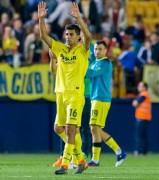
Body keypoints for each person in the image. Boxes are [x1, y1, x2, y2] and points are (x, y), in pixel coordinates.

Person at [38, 1, 91, 175]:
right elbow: (44, 37)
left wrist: (79, 18)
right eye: (66, 34)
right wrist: (41, 19)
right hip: (60, 93)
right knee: (58, 128)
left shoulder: (82, 50)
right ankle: (81, 159)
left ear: (78, 37)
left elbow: (89, 37)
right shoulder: (60, 49)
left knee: (70, 129)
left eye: (71, 34)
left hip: (75, 94)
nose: (67, 37)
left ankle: (66, 164)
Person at [86, 40, 126, 167]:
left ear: (105, 51)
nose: (97, 51)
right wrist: (83, 32)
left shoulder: (105, 63)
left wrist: (79, 66)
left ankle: (117, 151)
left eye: (100, 49)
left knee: (94, 127)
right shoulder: (94, 62)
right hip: (95, 98)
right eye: (96, 49)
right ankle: (98, 159)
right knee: (95, 129)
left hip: (101, 99)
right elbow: (88, 43)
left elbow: (90, 73)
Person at [132, 82, 152, 156]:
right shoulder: (144, 94)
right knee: (143, 135)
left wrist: (135, 102)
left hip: (142, 117)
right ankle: (144, 151)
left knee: (139, 135)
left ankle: (138, 151)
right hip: (145, 118)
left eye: (140, 86)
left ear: (144, 88)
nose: (138, 87)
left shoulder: (143, 94)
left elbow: (135, 103)